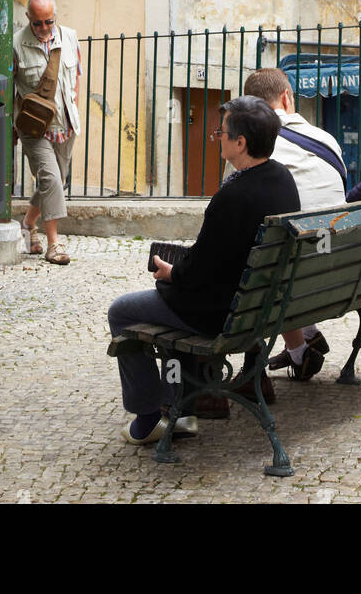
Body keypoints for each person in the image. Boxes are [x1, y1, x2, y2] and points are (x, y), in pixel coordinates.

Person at [108, 95, 299, 444]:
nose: (217, 137)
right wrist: (183, 272)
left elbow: (197, 274)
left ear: (240, 143)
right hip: (259, 307)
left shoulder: (232, 197)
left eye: (221, 133)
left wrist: (170, 273)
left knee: (121, 312)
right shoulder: (283, 179)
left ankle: (149, 416)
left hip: (220, 316)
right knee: (170, 309)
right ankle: (181, 409)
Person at [243, 67, 347, 383]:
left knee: (266, 255)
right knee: (286, 250)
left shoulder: (251, 146)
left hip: (287, 276)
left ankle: (299, 349)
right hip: (340, 271)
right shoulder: (327, 140)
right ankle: (307, 336)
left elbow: (233, 215)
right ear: (288, 97)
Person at [13, 0, 80, 266]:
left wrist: (75, 106)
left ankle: (28, 223)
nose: (43, 28)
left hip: (65, 124)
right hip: (33, 128)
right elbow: (9, 87)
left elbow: (76, 77)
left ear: (55, 16)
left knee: (53, 182)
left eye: (48, 22)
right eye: (38, 23)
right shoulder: (16, 44)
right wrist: (12, 126)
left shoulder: (70, 37)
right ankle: (54, 244)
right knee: (51, 180)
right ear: (28, 18)